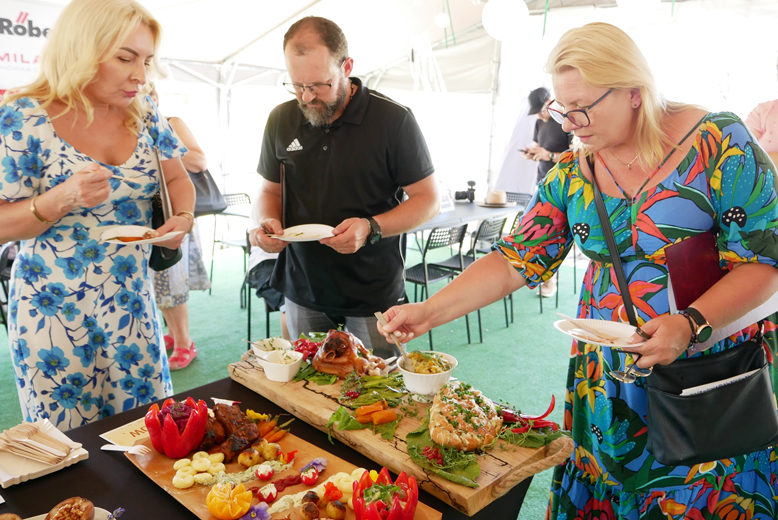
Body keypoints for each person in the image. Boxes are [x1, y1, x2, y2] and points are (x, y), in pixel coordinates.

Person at [378, 22, 778, 519]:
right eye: (563, 109)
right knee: (609, 488)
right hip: (609, 374)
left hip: (709, 368)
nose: (571, 124)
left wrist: (689, 324)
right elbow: (515, 260)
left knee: (701, 495)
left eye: (584, 108)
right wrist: (430, 310)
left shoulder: (719, 142)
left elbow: (766, 259)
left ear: (634, 91)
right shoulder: (573, 170)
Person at [0, 0, 195, 430]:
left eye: (145, 60)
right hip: (51, 311)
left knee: (149, 434)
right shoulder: (22, 117)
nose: (140, 75)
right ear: (80, 50)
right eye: (126, 58)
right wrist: (57, 200)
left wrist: (182, 218)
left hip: (133, 305)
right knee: (68, 448)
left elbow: (179, 179)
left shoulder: (143, 111)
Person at [249, 16, 439, 359]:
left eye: (319, 85)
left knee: (383, 392)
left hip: (373, 291)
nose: (307, 97)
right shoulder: (280, 118)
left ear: (346, 67)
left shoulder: (394, 120)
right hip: (302, 285)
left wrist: (371, 227)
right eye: (296, 85)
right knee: (307, 389)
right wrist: (266, 224)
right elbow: (269, 192)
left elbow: (428, 200)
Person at [147, 84, 210, 370]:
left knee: (172, 282)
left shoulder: (170, 124)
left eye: (149, 97)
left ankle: (185, 342)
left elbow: (199, 161)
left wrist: (164, 150)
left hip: (172, 213)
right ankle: (172, 334)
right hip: (147, 220)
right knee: (158, 284)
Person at [521, 87, 574, 298]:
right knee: (543, 232)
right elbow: (538, 148)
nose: (539, 115)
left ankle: (550, 279)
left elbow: (576, 157)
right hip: (543, 182)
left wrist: (548, 155)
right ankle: (547, 277)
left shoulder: (566, 123)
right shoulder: (538, 122)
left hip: (566, 185)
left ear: (550, 102)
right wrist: (533, 154)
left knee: (556, 233)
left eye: (540, 110)